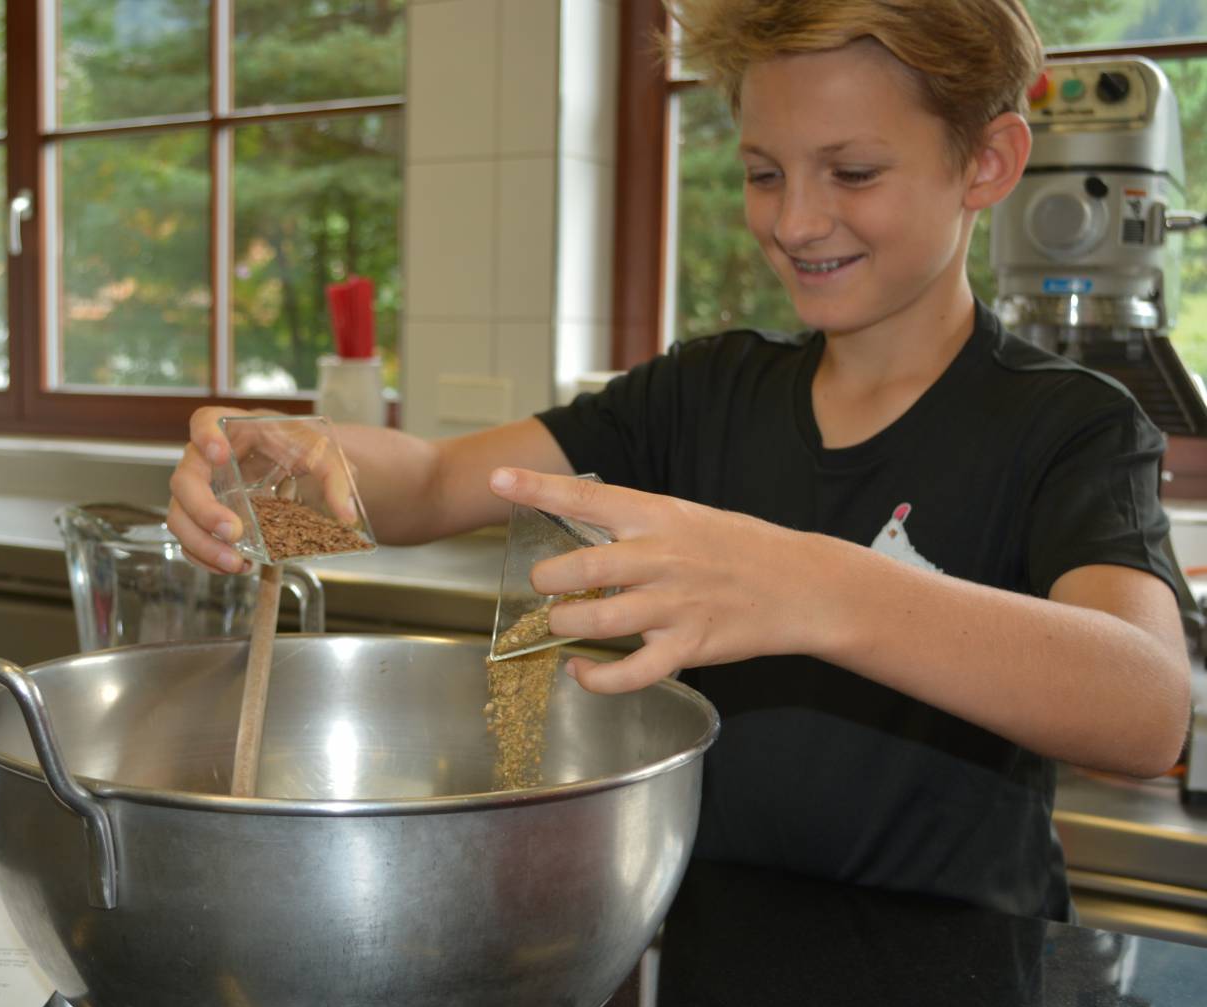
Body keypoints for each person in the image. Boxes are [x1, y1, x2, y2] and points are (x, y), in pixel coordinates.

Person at [167, 0, 1192, 921]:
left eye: (853, 172)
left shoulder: (1067, 423)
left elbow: (1146, 709)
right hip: (699, 973)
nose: (793, 220)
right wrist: (287, 475)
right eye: (761, 172)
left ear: (987, 162)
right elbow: (431, 485)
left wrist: (815, 582)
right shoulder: (701, 394)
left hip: (956, 996)